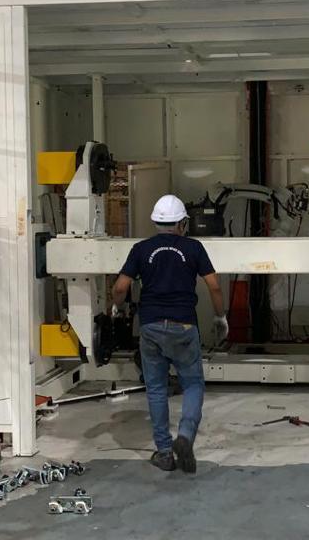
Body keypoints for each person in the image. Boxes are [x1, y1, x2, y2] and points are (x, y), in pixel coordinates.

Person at [111, 194, 227, 474]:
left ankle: (164, 453)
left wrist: (116, 307)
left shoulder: (141, 249)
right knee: (193, 384)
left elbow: (120, 287)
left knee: (156, 389)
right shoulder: (193, 247)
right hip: (184, 326)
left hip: (150, 326)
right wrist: (220, 316)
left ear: (155, 222)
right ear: (182, 223)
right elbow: (213, 286)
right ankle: (185, 436)